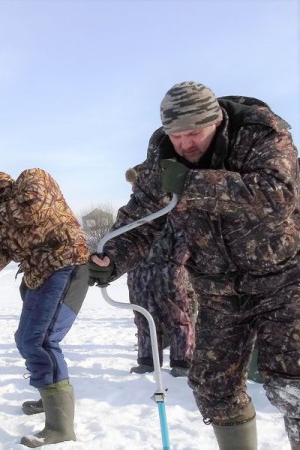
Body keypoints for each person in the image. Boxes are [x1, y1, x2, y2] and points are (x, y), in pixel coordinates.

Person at [88, 81, 300, 450]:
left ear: (216, 121)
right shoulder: (162, 157)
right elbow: (142, 217)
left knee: (292, 384)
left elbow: (276, 194)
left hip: (284, 279)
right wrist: (114, 256)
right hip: (218, 290)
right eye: (176, 135)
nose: (185, 144)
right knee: (212, 386)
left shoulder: (259, 133)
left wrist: (191, 183)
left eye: (194, 133)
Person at [0, 168, 89, 447]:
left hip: (65, 263)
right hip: (38, 276)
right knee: (25, 340)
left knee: (41, 341)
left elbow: (37, 208)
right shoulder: (1, 225)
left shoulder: (32, 179)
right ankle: (50, 398)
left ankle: (61, 427)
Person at [124, 167, 197, 378]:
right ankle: (147, 360)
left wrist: (176, 262)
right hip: (139, 273)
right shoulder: (131, 210)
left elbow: (187, 235)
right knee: (143, 317)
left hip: (168, 271)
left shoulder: (173, 206)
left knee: (178, 317)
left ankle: (181, 362)